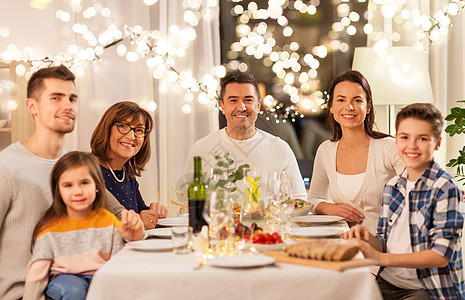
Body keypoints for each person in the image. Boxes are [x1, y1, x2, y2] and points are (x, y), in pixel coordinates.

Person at [342, 103, 464, 299]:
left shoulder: (445, 188)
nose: (412, 146)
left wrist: (380, 258)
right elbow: (384, 241)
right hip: (387, 282)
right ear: (396, 140)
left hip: (427, 289)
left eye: (423, 138)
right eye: (405, 137)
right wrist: (367, 238)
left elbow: (441, 255)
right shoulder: (392, 186)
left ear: (437, 143)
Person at [0, 65, 78, 299]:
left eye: (73, 98)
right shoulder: (6, 167)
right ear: (32, 107)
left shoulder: (75, 164)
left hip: (73, 286)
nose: (68, 105)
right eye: (56, 98)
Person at [23, 151, 145, 300]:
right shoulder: (49, 229)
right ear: (59, 191)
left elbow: (119, 261)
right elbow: (37, 274)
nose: (78, 192)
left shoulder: (108, 221)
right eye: (68, 185)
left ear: (97, 186)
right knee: (75, 290)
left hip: (101, 276)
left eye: (85, 183)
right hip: (65, 279)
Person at [184, 70, 306, 201]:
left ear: (258, 106)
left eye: (248, 100)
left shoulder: (280, 148)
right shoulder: (202, 148)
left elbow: (299, 201)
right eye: (233, 100)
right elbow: (187, 205)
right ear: (222, 107)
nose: (241, 107)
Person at [307, 70, 404, 234]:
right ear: (331, 107)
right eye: (341, 100)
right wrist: (331, 209)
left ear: (367, 107)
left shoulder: (389, 147)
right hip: (344, 244)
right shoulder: (326, 150)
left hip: (387, 246)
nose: (349, 107)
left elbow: (418, 187)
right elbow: (314, 198)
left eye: (357, 100)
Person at [90, 101, 168, 229]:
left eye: (139, 130)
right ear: (107, 128)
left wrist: (153, 211)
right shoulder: (87, 172)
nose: (131, 136)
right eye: (123, 126)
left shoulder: (127, 174)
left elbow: (140, 212)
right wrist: (140, 220)